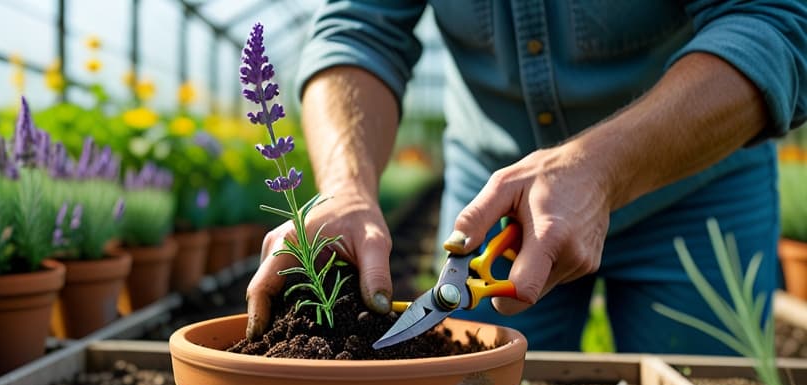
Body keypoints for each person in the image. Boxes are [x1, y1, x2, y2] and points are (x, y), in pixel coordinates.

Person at [245, 1, 807, 355]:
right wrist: (346, 184)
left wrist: (602, 168)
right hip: (494, 200)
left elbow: (774, 24)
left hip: (693, 181)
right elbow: (360, 28)